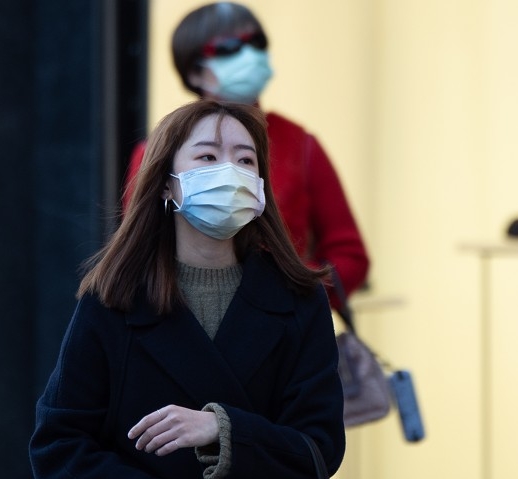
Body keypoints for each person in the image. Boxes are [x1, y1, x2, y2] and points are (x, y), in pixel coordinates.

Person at [30, 99, 347, 479]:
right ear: (169, 184)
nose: (230, 170)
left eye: (246, 159)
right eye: (208, 154)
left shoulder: (299, 302)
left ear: (262, 187)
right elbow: (58, 445)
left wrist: (222, 429)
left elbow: (319, 443)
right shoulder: (112, 302)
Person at [124, 1, 370, 300]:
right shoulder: (159, 149)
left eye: (257, 42)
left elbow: (350, 256)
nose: (249, 55)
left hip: (284, 331)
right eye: (228, 48)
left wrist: (293, 296)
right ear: (194, 72)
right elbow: (136, 249)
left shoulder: (300, 144)